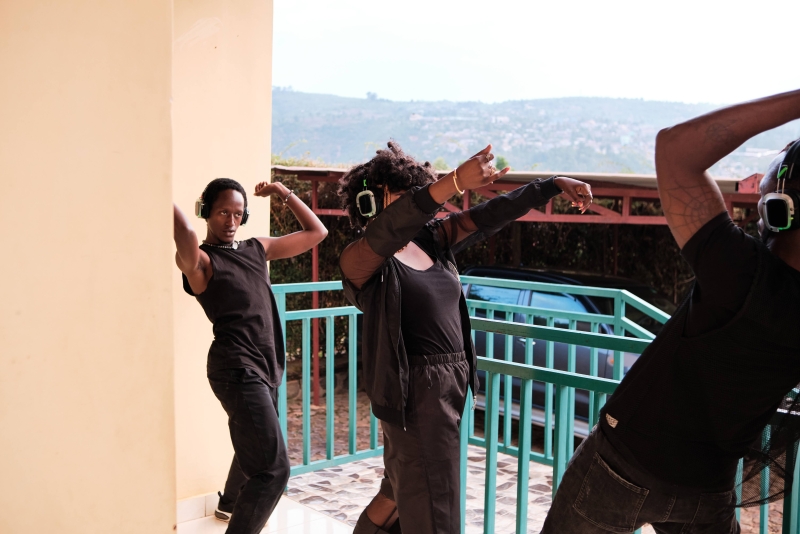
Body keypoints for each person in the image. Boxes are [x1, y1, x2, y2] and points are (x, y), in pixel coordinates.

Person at [541, 89, 800, 534]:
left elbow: (676, 148)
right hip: (708, 489)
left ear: (781, 210)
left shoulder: (741, 271)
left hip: (622, 466)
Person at [338, 141, 592, 534]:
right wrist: (454, 181)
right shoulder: (360, 258)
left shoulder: (431, 239)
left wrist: (551, 185)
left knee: (399, 493)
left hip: (452, 385)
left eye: (417, 192)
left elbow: (490, 215)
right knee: (436, 508)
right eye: (403, 195)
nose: (415, 203)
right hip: (414, 394)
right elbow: (391, 227)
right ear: (369, 201)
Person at [173, 177, 327, 534]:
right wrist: (159, 190)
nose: (230, 221)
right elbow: (185, 233)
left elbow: (316, 232)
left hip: (266, 365)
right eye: (222, 212)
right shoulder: (202, 262)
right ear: (205, 211)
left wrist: (283, 193)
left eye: (237, 213)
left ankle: (230, 503)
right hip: (235, 368)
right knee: (274, 470)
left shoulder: (257, 248)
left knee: (255, 440)